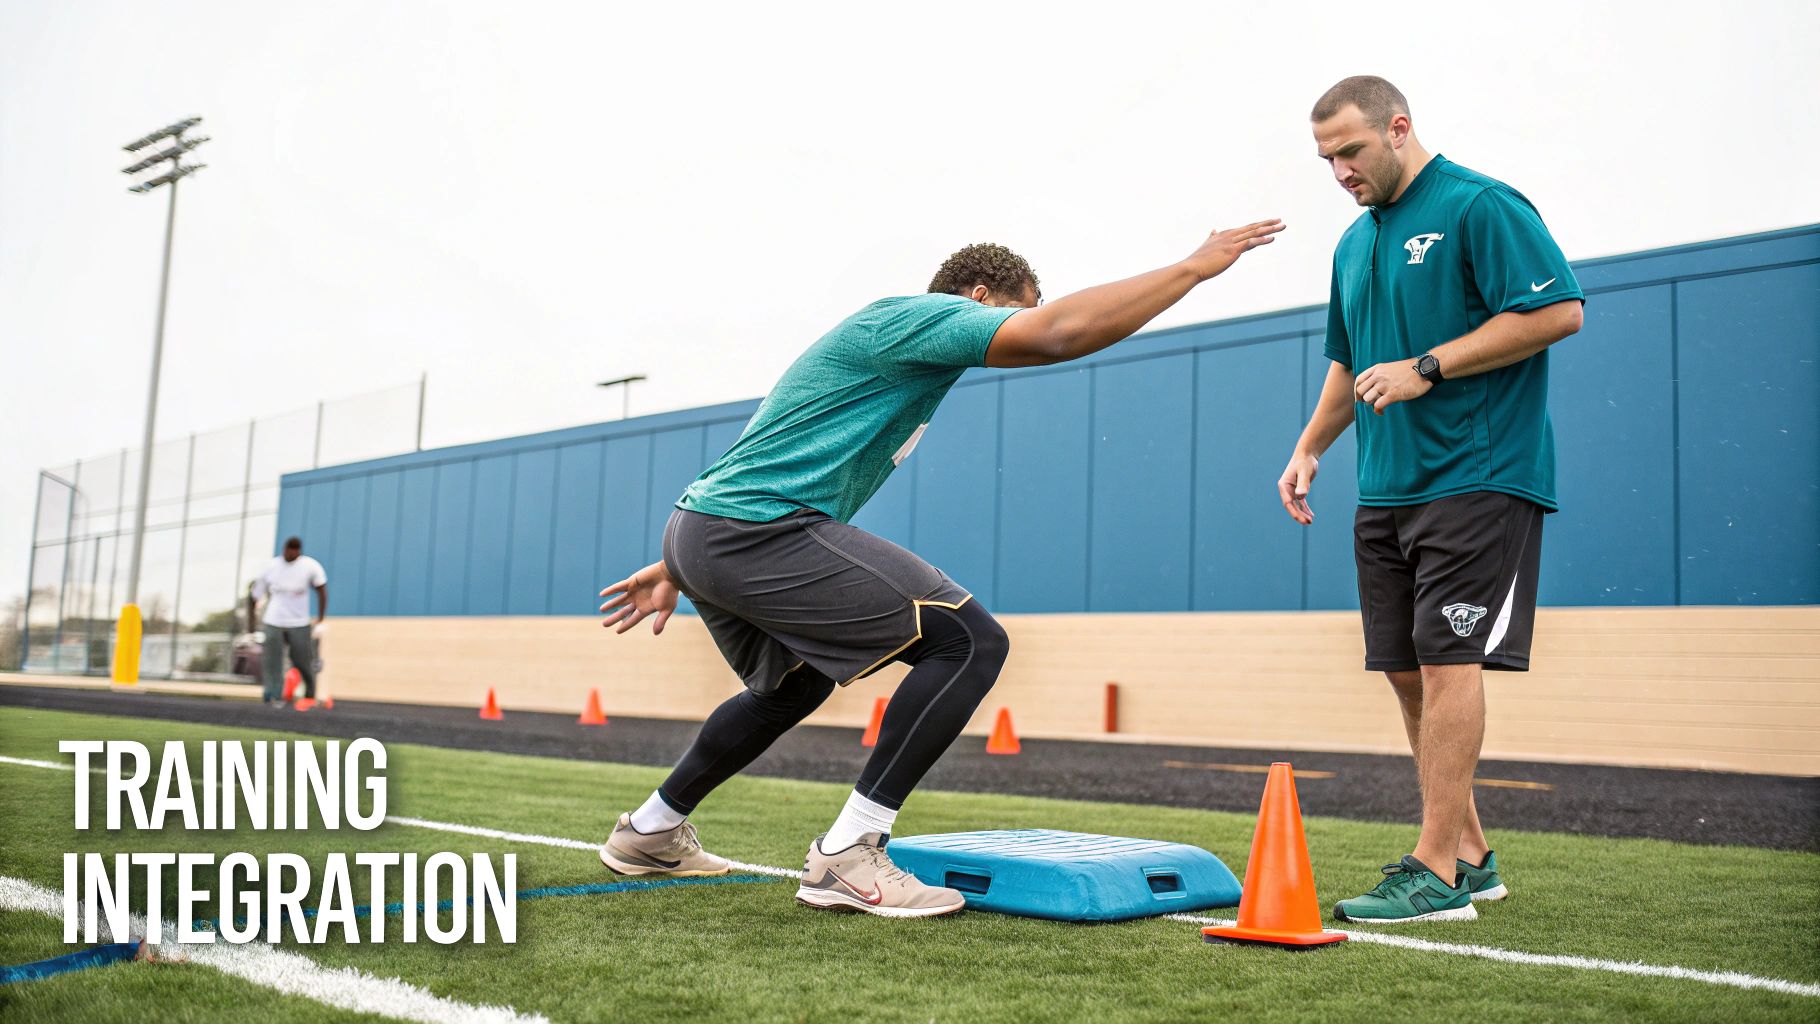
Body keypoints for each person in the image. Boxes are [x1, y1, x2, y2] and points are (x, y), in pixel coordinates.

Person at [599, 220, 1284, 917]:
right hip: (747, 528)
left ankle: (649, 832)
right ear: (978, 295)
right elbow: (1058, 335)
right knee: (968, 640)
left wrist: (681, 561)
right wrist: (1193, 268)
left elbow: (775, 440)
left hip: (710, 527)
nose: (1020, 327)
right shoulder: (921, 317)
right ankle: (849, 853)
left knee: (791, 687)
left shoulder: (895, 354)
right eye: (1018, 309)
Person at [1279, 76, 1583, 924]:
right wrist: (1309, 449)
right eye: (1325, 158)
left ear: (1399, 128)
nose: (1339, 169)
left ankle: (1436, 870)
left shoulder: (1482, 205)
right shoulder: (1351, 244)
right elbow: (1350, 364)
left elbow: (1557, 312)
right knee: (1408, 673)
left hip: (1479, 477)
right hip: (1386, 491)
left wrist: (1428, 367)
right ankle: (1473, 855)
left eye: (1350, 150)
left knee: (1452, 666)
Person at [248, 536, 328, 707]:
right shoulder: (271, 567)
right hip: (273, 620)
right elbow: (254, 596)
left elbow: (321, 590)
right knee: (272, 660)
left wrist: (321, 620)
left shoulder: (310, 566)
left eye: (295, 550)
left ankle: (310, 695)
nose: (291, 553)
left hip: (299, 622)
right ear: (284, 549)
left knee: (302, 659)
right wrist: (251, 628)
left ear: (299, 552)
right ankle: (272, 696)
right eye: (289, 549)